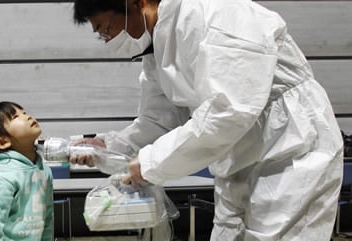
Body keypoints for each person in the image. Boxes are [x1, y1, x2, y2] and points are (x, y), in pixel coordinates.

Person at [69, 0, 344, 240]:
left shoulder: (212, 13)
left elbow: (230, 111)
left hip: (289, 149)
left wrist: (151, 163)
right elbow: (161, 120)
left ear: (137, 3)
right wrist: (109, 146)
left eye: (106, 28)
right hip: (237, 158)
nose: (109, 39)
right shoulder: (158, 44)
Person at [0, 101, 54, 241]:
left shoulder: (43, 170)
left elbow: (47, 217)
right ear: (2, 142)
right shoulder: (0, 176)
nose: (27, 116)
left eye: (24, 112)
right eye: (15, 117)